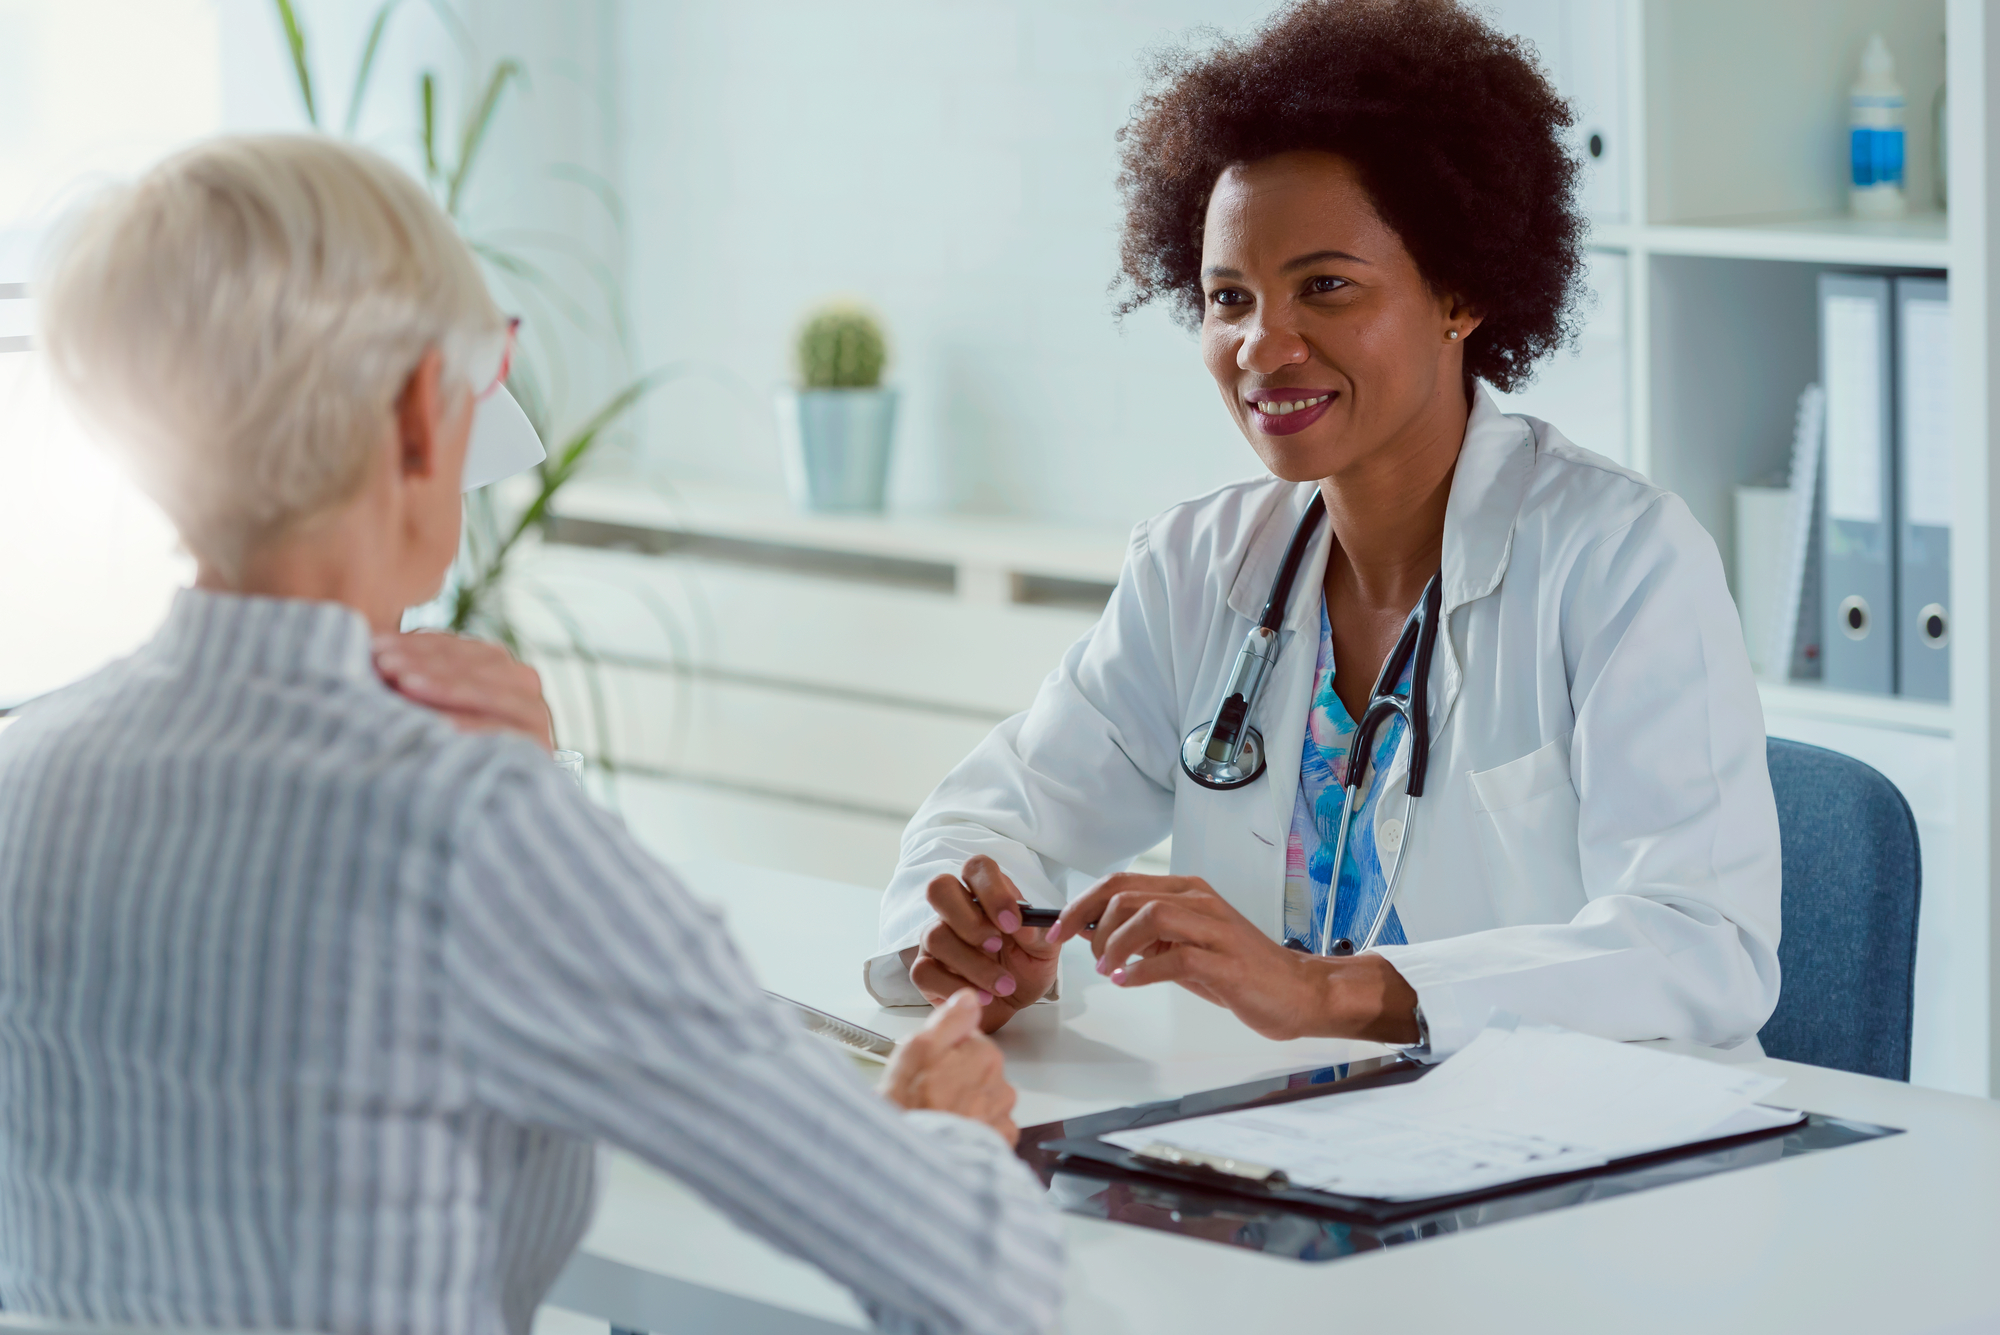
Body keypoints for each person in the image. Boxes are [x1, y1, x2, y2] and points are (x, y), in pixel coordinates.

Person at [0, 134, 1061, 1335]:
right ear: (416, 410)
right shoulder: (469, 823)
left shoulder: (27, 770)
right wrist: (944, 1141)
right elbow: (972, 1283)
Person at [868, 0, 1781, 1060]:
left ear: (1460, 290)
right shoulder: (1198, 566)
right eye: (1227, 297)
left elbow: (1700, 948)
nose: (1262, 347)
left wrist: (1329, 992)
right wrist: (979, 927)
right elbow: (996, 806)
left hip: (1590, 1170)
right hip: (1289, 1153)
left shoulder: (1621, 560)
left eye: (1325, 288)